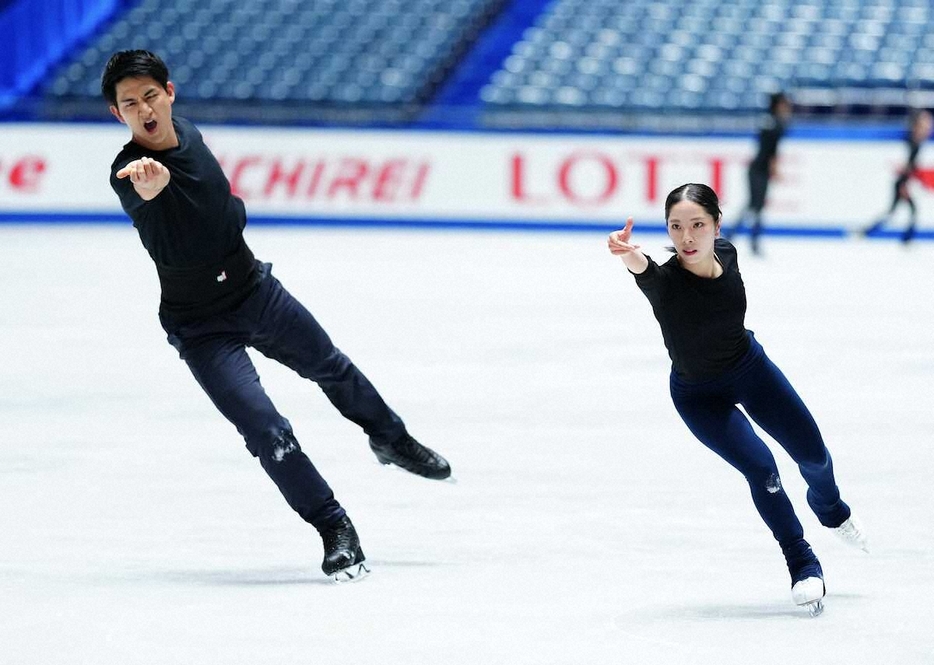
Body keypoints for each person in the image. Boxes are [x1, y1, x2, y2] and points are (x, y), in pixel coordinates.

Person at [102, 50, 451, 582]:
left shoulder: (188, 133)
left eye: (150, 96)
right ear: (117, 115)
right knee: (267, 430)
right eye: (130, 104)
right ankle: (334, 526)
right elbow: (151, 214)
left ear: (169, 93)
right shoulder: (130, 172)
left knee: (331, 366)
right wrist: (150, 193)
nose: (144, 109)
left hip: (255, 292)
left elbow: (219, 210)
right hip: (200, 327)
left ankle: (391, 439)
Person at [607, 183, 868, 616]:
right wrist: (627, 254)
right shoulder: (664, 283)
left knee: (815, 457)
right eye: (676, 227)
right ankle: (802, 562)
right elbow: (644, 269)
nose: (687, 238)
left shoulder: (726, 252)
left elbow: (713, 263)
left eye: (697, 225)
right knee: (763, 470)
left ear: (716, 226)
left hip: (751, 372)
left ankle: (830, 506)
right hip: (698, 396)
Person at [726, 92, 792, 255]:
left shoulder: (767, 121)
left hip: (756, 168)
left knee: (753, 205)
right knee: (756, 206)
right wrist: (775, 169)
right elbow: (771, 151)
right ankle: (747, 240)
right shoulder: (777, 124)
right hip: (760, 170)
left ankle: (732, 237)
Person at [862, 108, 933, 243]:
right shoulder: (912, 143)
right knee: (897, 211)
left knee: (898, 211)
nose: (929, 127)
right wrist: (904, 184)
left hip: (903, 181)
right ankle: (869, 232)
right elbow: (907, 166)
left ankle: (903, 238)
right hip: (902, 182)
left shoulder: (916, 142)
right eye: (925, 124)